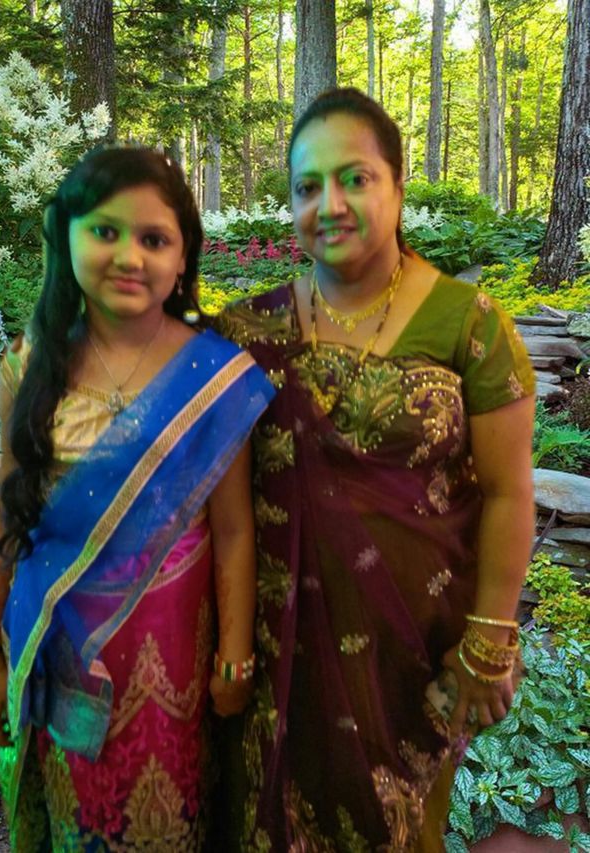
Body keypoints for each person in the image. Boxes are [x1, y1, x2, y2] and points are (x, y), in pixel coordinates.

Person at [214, 88, 535, 850]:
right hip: (282, 660)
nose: (329, 204)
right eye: (307, 186)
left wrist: (490, 638)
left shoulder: (470, 324)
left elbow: (509, 491)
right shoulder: (246, 331)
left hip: (411, 658)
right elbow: (218, 510)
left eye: (355, 178)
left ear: (397, 183)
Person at [0, 145, 274, 851]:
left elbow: (233, 531)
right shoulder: (29, 365)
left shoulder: (213, 376)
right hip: (55, 650)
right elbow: (5, 513)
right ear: (66, 235)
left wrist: (234, 658)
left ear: (183, 256)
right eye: (105, 231)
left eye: (154, 239)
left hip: (172, 668)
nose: (130, 256)